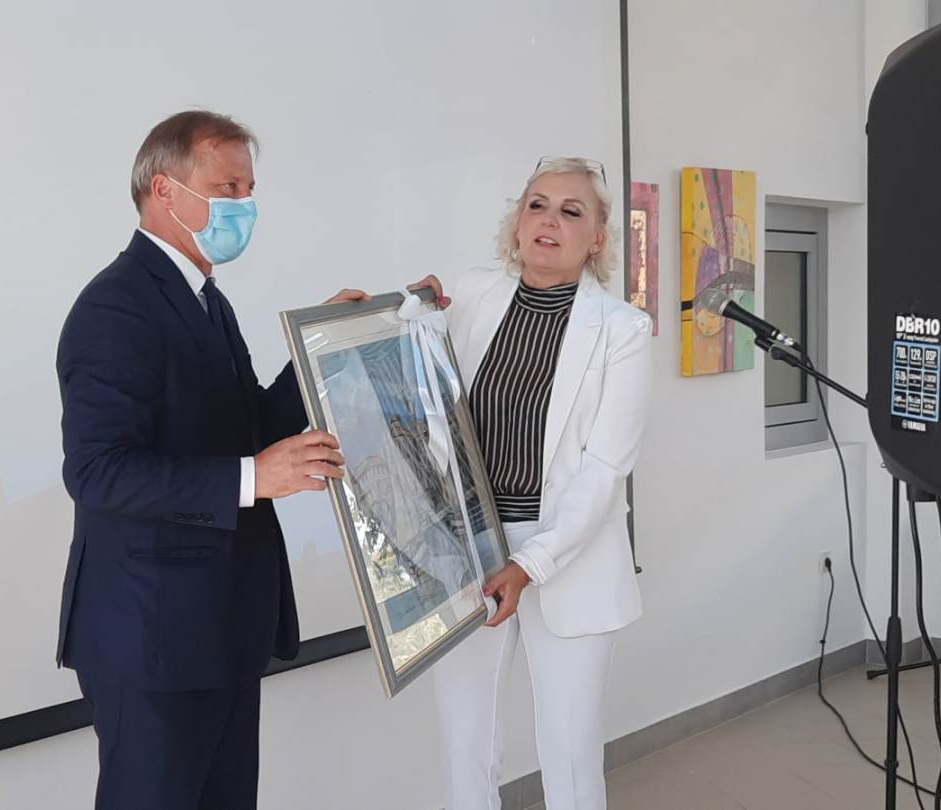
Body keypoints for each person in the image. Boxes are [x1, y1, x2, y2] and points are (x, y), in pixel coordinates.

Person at [54, 110, 367, 810]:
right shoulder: (115, 308)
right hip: (155, 639)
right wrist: (256, 477)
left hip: (220, 627)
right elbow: (97, 472)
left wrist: (318, 347)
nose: (243, 207)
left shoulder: (205, 301)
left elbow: (246, 426)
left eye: (249, 190)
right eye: (227, 188)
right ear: (164, 190)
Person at [411, 156, 654, 810]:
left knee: (569, 757)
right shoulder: (472, 295)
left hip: (570, 555)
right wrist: (398, 317)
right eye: (537, 205)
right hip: (468, 549)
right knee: (468, 749)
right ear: (517, 221)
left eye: (571, 211)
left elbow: (605, 471)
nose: (549, 220)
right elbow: (428, 400)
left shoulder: (623, 330)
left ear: (597, 237)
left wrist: (529, 564)